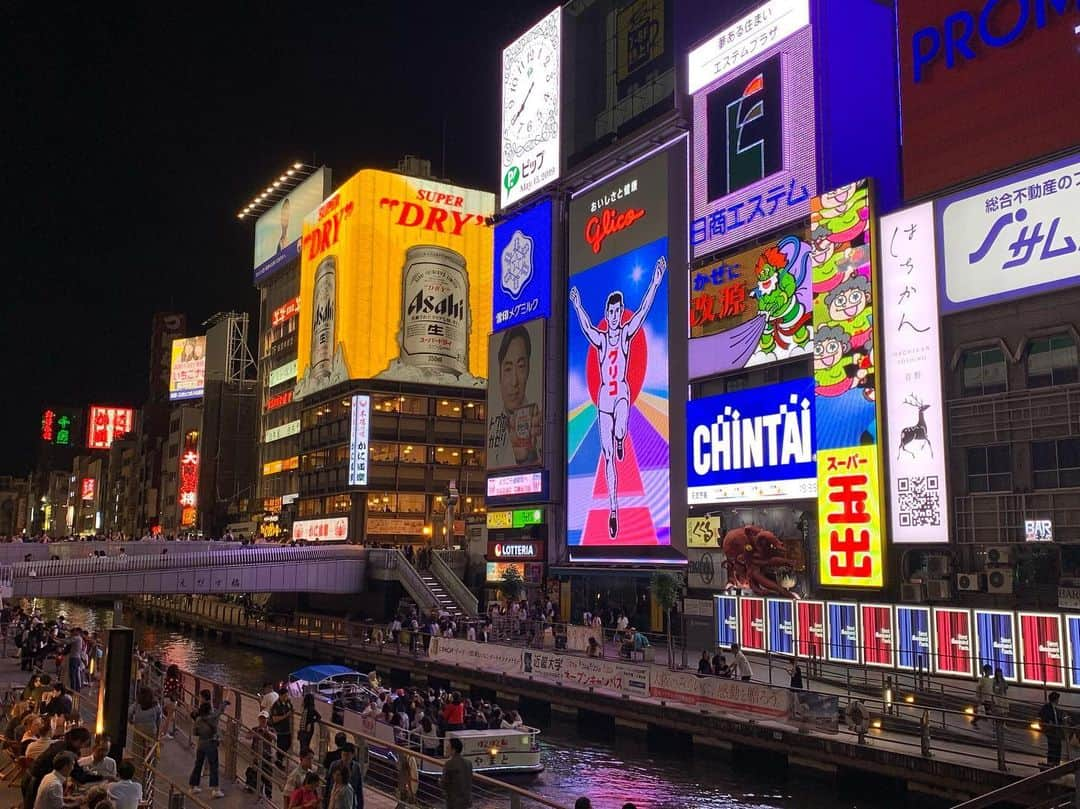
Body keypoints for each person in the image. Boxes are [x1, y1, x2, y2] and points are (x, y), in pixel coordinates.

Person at [569, 253, 666, 538]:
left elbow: (645, 310)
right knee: (608, 455)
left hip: (621, 394)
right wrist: (576, 304)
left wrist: (656, 281)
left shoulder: (625, 335)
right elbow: (586, 327)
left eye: (617, 311)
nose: (613, 316)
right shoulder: (600, 340)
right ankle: (614, 509)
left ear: (620, 311)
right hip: (603, 401)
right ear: (606, 313)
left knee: (620, 431)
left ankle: (621, 437)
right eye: (610, 312)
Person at [488, 326, 541, 467]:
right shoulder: (492, 421)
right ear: (499, 372)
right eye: (508, 369)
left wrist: (529, 457)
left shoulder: (537, 424)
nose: (514, 381)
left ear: (529, 369)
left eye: (521, 366)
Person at [189, 700, 227, 798]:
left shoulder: (198, 720)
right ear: (209, 710)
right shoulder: (213, 718)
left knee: (198, 765)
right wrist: (224, 704)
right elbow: (220, 711)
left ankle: (193, 786)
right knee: (214, 766)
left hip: (201, 743)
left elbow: (195, 733)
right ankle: (215, 789)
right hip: (211, 743)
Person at [248, 712, 276, 799]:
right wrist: (256, 733)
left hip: (267, 756)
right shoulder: (255, 728)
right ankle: (257, 791)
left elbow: (275, 737)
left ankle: (268, 795)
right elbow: (247, 736)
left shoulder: (271, 729)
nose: (262, 720)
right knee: (255, 774)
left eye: (264, 719)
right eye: (261, 718)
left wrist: (266, 731)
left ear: (267, 720)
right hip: (256, 756)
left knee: (267, 776)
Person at [326, 743, 362, 809]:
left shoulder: (356, 767)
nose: (345, 758)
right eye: (343, 755)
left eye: (348, 755)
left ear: (353, 755)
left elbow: (359, 789)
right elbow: (328, 784)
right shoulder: (334, 765)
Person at [441, 737, 472, 809]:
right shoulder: (468, 763)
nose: (446, 749)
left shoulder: (449, 764)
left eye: (448, 747)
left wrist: (439, 781)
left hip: (454, 801)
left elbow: (444, 783)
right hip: (467, 800)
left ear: (453, 750)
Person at [1039, 691, 1066, 767]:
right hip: (1051, 729)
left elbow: (1056, 718)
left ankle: (1056, 762)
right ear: (1055, 700)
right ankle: (1051, 762)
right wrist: (1048, 721)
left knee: (1057, 745)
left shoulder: (1055, 709)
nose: (1058, 701)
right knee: (1053, 745)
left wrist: (1062, 720)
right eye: (1057, 699)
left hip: (1055, 729)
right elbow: (1042, 715)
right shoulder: (1047, 707)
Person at [270, 686, 295, 767]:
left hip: (287, 729)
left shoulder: (288, 702)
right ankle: (279, 761)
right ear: (280, 696)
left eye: (287, 695)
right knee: (281, 746)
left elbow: (291, 710)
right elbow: (274, 719)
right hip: (280, 729)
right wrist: (285, 716)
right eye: (284, 696)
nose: (286, 697)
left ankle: (280, 758)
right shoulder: (276, 705)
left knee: (288, 744)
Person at [162, 664, 183, 739]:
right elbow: (178, 688)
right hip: (171, 700)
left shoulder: (167, 678)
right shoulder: (175, 680)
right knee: (169, 718)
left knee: (169, 717)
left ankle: (164, 731)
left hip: (166, 698)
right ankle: (163, 733)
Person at [973, 664, 993, 729]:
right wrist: (978, 698)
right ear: (986, 671)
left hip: (989, 698)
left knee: (986, 712)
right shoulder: (982, 679)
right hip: (984, 699)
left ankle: (975, 721)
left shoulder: (991, 680)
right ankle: (974, 721)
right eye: (989, 670)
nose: (990, 672)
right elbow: (978, 688)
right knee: (985, 712)